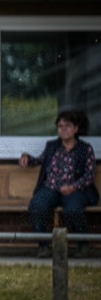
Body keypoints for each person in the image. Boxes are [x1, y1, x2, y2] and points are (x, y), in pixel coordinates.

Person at [19, 110, 98, 258]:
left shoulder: (85, 149)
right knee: (37, 204)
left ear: (76, 128)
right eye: (60, 126)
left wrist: (73, 187)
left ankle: (83, 245)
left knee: (73, 209)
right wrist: (26, 157)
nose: (63, 129)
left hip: (76, 190)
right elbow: (38, 160)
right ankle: (43, 246)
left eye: (67, 125)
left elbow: (89, 176)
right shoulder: (52, 146)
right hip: (51, 188)